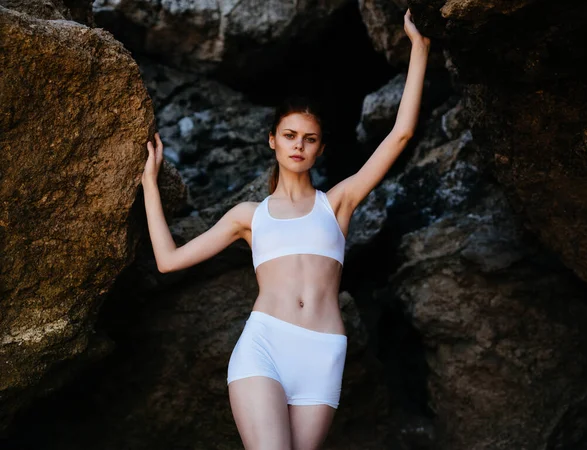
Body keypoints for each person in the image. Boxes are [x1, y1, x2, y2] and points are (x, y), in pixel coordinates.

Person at [142, 9, 429, 450]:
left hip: (323, 355)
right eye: (290, 135)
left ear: (319, 148)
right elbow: (168, 261)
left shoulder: (337, 203)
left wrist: (419, 47)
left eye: (309, 138)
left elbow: (401, 134)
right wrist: (149, 185)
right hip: (265, 348)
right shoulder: (248, 216)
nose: (298, 145)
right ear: (272, 140)